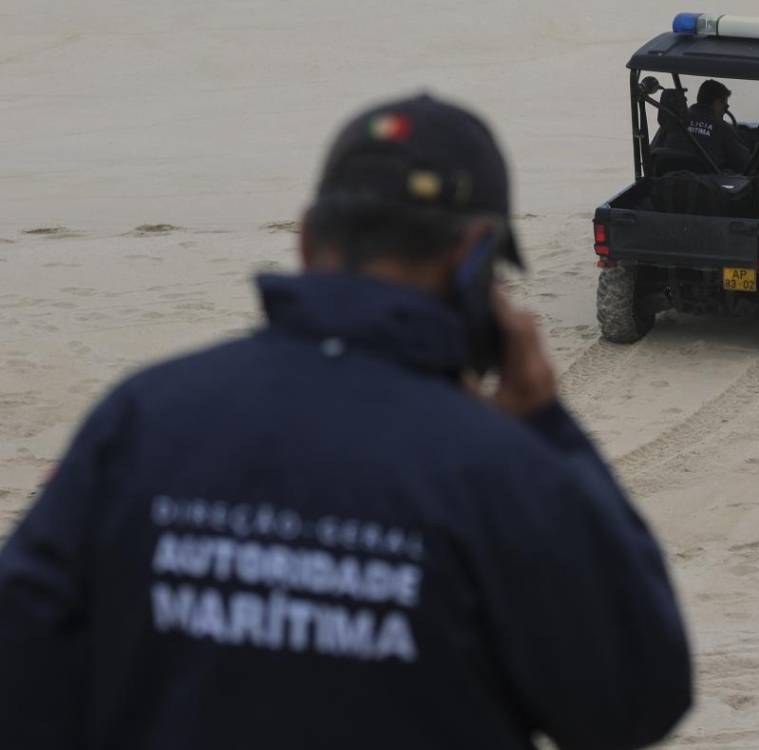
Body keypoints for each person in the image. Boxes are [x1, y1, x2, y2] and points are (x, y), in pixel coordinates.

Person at [0, 93, 693, 749]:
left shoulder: (141, 418)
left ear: (305, 239)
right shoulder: (499, 470)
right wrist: (549, 428)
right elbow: (635, 700)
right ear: (473, 259)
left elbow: (22, 665)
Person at [684, 79, 752, 172]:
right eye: (726, 106)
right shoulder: (723, 128)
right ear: (717, 102)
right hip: (706, 184)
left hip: (669, 182)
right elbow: (746, 165)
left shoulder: (674, 121)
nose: (725, 111)